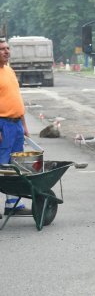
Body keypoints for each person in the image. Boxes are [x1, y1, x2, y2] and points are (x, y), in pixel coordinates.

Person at [0, 38, 31, 215]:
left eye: (7, 48)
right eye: (2, 49)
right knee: (2, 165)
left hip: (16, 124)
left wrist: (24, 124)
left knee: (15, 164)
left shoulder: (9, 70)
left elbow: (16, 99)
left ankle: (13, 204)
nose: (6, 51)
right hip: (2, 124)